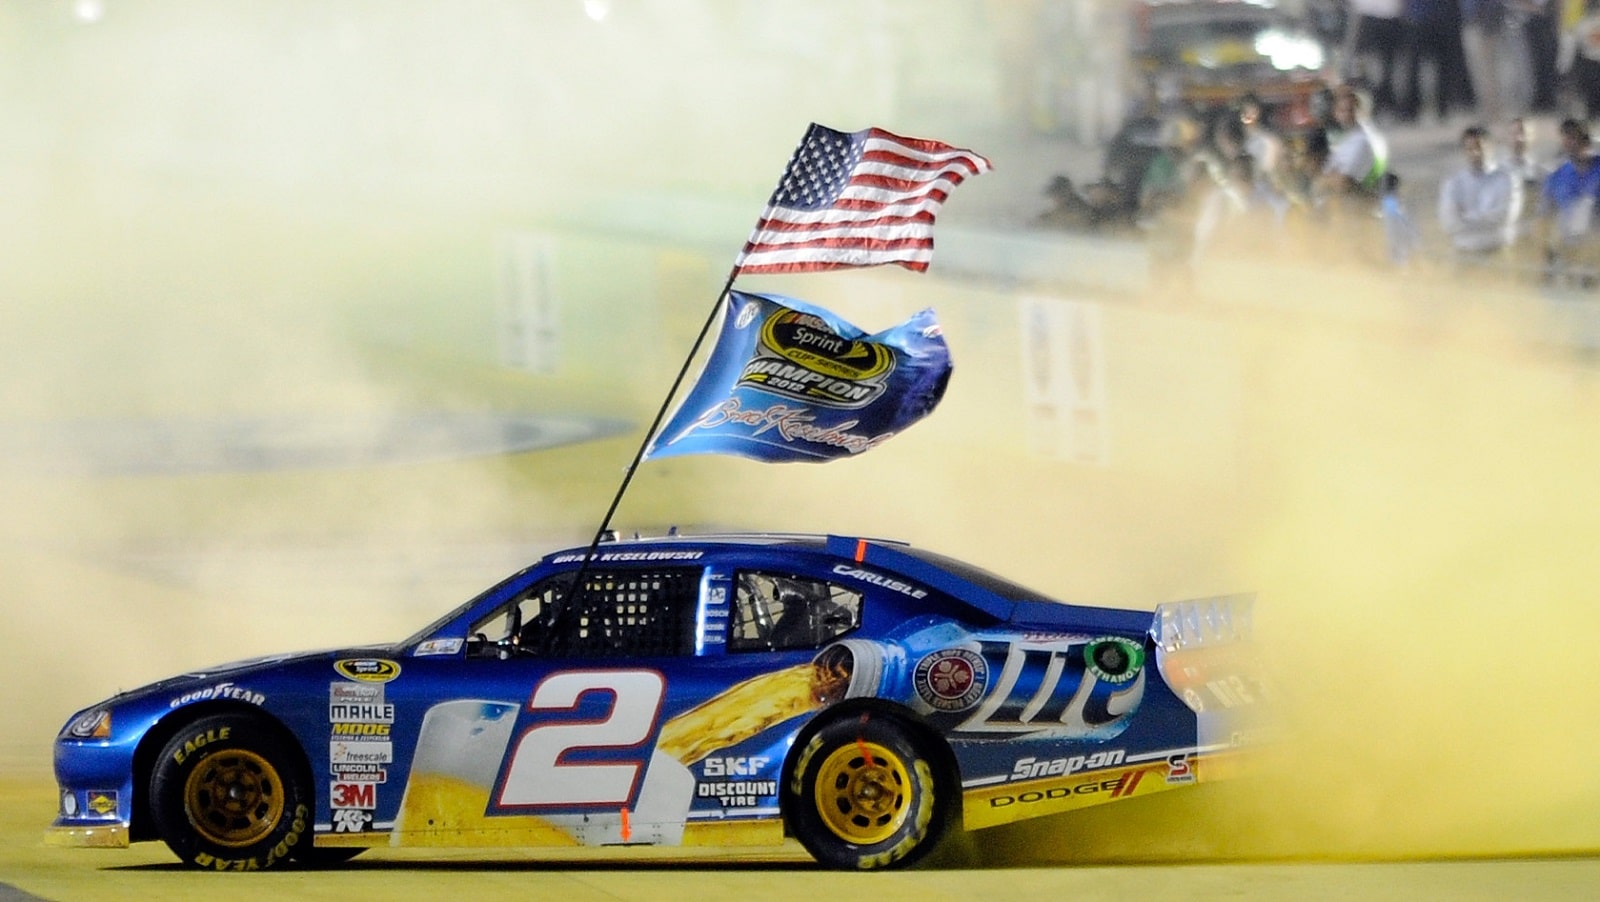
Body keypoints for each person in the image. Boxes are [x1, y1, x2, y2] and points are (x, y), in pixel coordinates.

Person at [1438, 125, 1523, 259]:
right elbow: (1449, 223)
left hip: (1498, 252)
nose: (1475, 153)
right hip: (1464, 254)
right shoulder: (1454, 184)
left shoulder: (1507, 179)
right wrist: (1485, 218)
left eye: (1479, 147)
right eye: (1470, 149)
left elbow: (1506, 216)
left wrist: (1467, 218)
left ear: (1491, 147)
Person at [1537, 117, 1600, 285]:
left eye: (1574, 138)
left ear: (1586, 140)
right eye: (1565, 139)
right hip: (1569, 250)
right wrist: (1547, 252)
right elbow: (1545, 216)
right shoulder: (1556, 175)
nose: (1569, 144)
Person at [1320, 86, 1390, 199]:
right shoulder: (1344, 139)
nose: (1347, 115)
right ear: (1335, 113)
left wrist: (1324, 181)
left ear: (1359, 111)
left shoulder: (1361, 140)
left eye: (1351, 110)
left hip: (1356, 203)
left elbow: (1342, 182)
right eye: (1342, 111)